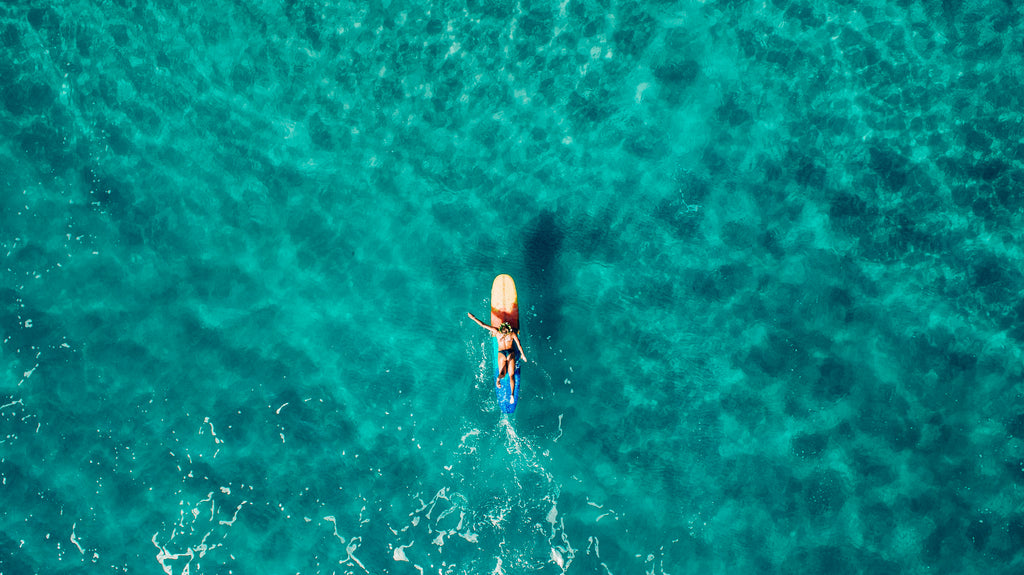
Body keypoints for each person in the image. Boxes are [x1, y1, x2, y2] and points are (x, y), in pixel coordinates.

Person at [467, 312, 527, 402]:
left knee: (503, 371)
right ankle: (511, 395)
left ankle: (499, 378)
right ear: (509, 329)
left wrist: (473, 318)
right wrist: (523, 355)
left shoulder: (497, 332)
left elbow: (483, 325)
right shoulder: (512, 334)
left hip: (501, 353)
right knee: (511, 375)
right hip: (510, 352)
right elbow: (518, 345)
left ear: (501, 328)